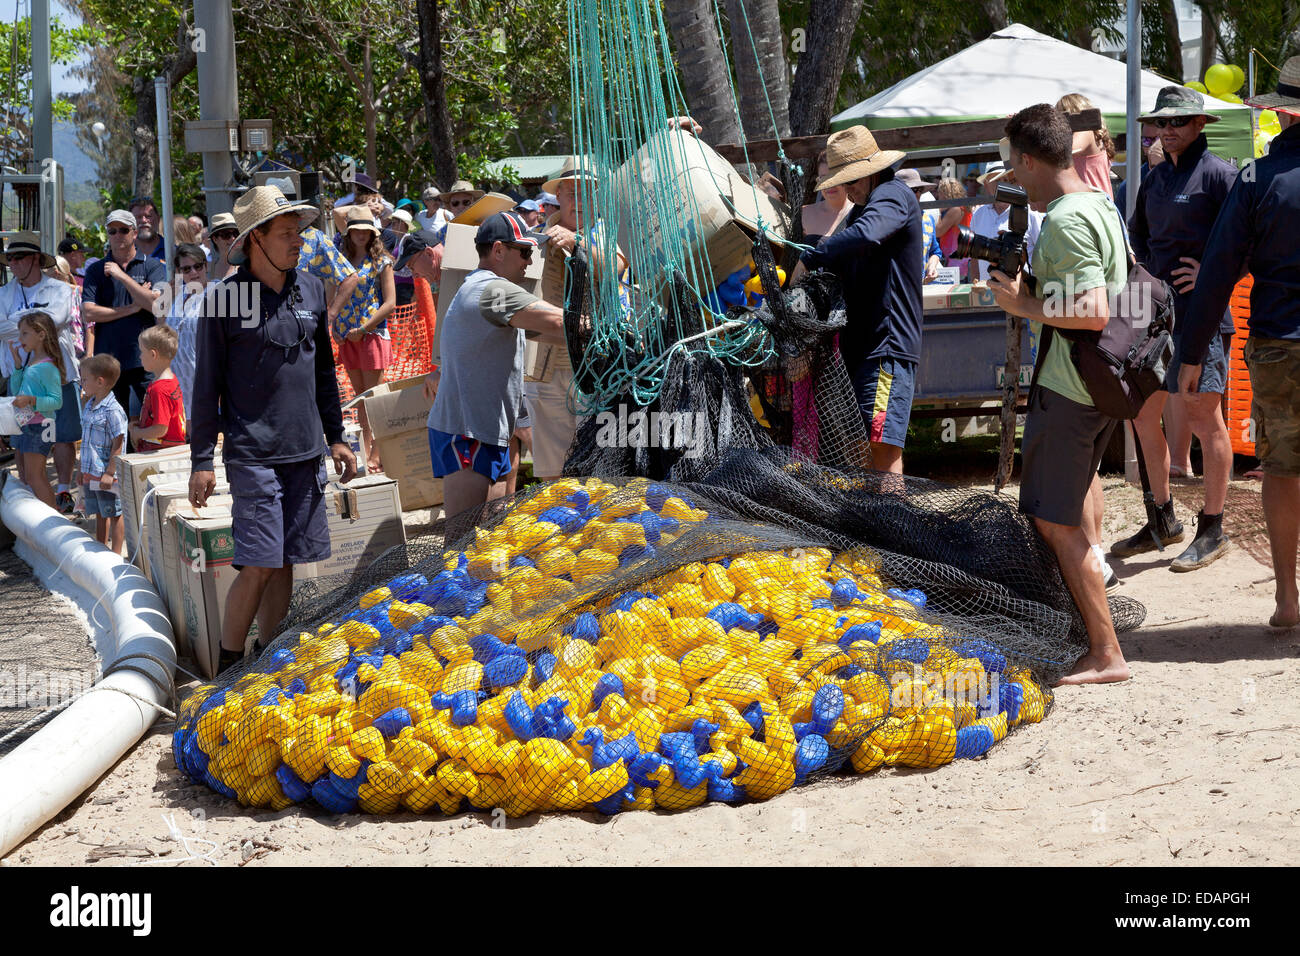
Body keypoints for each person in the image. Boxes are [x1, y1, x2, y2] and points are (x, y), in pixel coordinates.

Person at [988, 103, 1130, 685]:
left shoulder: (1068, 220)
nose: (1012, 175)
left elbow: (1093, 311)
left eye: (1012, 162)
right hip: (1094, 387)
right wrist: (1035, 285)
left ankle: (1106, 652)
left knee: (1057, 524)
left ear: (1028, 160)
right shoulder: (1098, 202)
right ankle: (1097, 634)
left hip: (1070, 390)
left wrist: (1023, 303)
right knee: (1067, 518)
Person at [189, 184, 357, 674]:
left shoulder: (311, 289)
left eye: (298, 232)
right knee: (260, 561)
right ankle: (226, 669)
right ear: (255, 239)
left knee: (285, 560)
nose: (298, 240)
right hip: (252, 453)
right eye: (286, 233)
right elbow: (206, 385)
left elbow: (323, 371)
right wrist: (201, 460)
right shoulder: (225, 299)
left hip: (304, 451)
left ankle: (269, 658)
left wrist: (336, 436)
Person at [1177, 58, 1300, 627]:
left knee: (1283, 468)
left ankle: (1288, 598)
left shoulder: (1256, 178)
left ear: (1282, 112)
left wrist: (1192, 353)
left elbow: (1218, 271)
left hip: (1279, 341)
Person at [1113, 86, 1237, 571]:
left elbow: (1250, 242)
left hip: (1202, 319)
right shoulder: (1155, 178)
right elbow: (1139, 234)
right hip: (1155, 319)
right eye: (1161, 122)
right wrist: (1146, 278)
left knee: (1206, 420)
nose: (1167, 130)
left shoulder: (1221, 175)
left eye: (1177, 121)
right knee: (1142, 415)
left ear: (1200, 123)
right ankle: (1162, 521)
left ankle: (1213, 529)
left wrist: (1210, 273)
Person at [788, 126, 923, 475]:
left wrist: (812, 257)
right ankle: (875, 511)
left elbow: (867, 234)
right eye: (842, 182)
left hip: (886, 350)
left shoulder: (892, 195)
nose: (847, 189)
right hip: (863, 350)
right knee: (860, 449)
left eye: (852, 180)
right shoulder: (863, 208)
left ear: (872, 170)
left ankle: (891, 512)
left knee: (882, 451)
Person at [425, 211, 565, 529]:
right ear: (499, 250)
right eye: (525, 252)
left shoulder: (487, 292)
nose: (530, 261)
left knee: (489, 535)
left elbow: (552, 332)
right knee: (462, 541)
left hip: (485, 431)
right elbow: (558, 322)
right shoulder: (492, 291)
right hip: (467, 433)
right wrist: (602, 324)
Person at [535, 156, 631, 481]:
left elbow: (615, 267)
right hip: (546, 364)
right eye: (572, 193)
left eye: (587, 193)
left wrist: (578, 243)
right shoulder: (537, 236)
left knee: (599, 461)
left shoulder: (607, 232)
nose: (579, 201)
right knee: (551, 466)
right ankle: (558, 510)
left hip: (597, 362)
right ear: (558, 195)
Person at [1, 231, 82, 513]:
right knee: (22, 443)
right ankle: (27, 500)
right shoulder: (3, 292)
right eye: (10, 259)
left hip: (58, 377)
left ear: (35, 258)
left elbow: (55, 320)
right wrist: (35, 321)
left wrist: (15, 322)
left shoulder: (60, 289)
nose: (13, 263)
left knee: (63, 436)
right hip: (19, 380)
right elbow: (40, 324)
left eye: (19, 257)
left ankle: (63, 491)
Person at [80, 210, 165, 423]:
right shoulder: (96, 270)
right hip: (108, 361)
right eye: (112, 231)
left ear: (134, 233)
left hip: (145, 358)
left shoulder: (152, 265)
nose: (118, 235)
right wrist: (134, 307)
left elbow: (157, 305)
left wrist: (122, 276)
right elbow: (88, 312)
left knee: (155, 420)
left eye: (124, 230)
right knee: (114, 425)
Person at [335, 206, 396, 473]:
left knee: (374, 399)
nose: (361, 234)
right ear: (349, 232)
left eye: (366, 230)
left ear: (373, 233)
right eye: (356, 229)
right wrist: (335, 325)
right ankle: (368, 450)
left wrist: (365, 327)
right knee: (360, 400)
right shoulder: (341, 260)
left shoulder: (383, 261)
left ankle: (378, 454)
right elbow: (333, 293)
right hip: (348, 337)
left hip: (372, 334)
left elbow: (391, 303)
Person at [7, 311, 65, 509]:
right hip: (29, 424)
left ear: (41, 334)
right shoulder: (31, 363)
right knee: (29, 476)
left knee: (34, 477)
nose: (19, 338)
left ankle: (53, 518)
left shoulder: (47, 367)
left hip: (40, 426)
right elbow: (17, 391)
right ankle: (46, 515)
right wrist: (17, 366)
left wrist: (31, 400)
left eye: (24, 333)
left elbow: (56, 401)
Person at [78, 353, 128, 553]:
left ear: (99, 382)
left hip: (107, 474)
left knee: (114, 513)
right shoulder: (89, 405)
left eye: (84, 379)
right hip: (92, 471)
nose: (81, 383)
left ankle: (115, 553)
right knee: (100, 511)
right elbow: (86, 441)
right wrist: (81, 470)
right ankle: (101, 548)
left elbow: (118, 443)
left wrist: (109, 472)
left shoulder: (113, 411)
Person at [967, 161, 1044, 281]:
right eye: (997, 180)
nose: (1003, 184)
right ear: (986, 185)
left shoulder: (1030, 213)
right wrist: (975, 284)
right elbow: (974, 258)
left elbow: (1044, 254)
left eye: (1006, 180)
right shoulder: (978, 214)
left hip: (1021, 289)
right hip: (986, 290)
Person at [165, 243, 207, 421]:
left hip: (205, 382)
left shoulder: (216, 294)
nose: (194, 272)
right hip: (179, 383)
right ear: (179, 272)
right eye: (187, 269)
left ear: (206, 265)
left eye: (198, 266)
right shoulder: (178, 295)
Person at [130, 324, 186, 452]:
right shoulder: (170, 380)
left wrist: (138, 433)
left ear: (153, 354)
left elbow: (161, 429)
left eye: (142, 351)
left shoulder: (159, 389)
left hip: (161, 453)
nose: (139, 356)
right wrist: (141, 425)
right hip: (168, 450)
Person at [1056, 93, 1115, 199]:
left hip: (1093, 202)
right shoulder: (1092, 135)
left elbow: (1067, 149)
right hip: (1091, 201)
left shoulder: (1086, 132)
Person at [896, 168, 945, 281]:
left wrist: (932, 267)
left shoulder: (927, 219)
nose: (918, 194)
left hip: (920, 285)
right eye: (914, 190)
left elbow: (935, 251)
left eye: (920, 189)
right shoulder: (889, 221)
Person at [800, 150, 853, 245]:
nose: (829, 184)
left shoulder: (861, 214)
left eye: (834, 177)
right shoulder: (803, 214)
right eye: (823, 178)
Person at [129, 196, 166, 260]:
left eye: (148, 216)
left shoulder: (173, 251)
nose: (143, 220)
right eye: (138, 217)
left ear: (158, 219)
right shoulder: (121, 254)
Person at [206, 212, 239, 279]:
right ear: (215, 239)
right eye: (226, 234)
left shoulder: (246, 266)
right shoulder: (208, 270)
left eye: (235, 233)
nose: (233, 238)